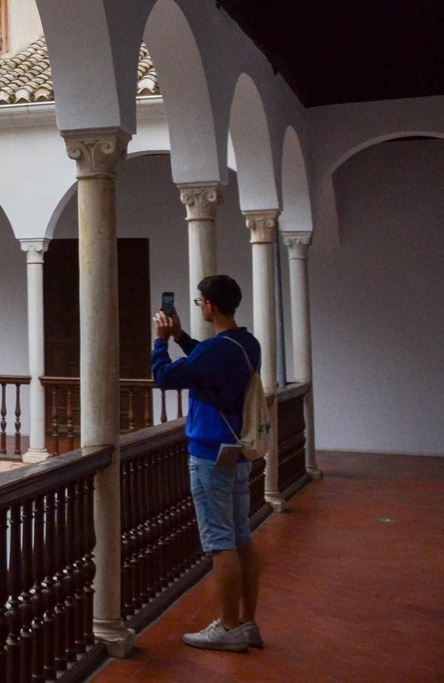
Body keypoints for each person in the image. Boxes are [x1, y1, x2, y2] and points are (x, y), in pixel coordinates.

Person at [151, 274, 265, 654]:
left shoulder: (217, 351)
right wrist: (183, 337)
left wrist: (161, 341)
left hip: (208, 454)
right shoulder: (246, 343)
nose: (199, 308)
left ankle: (228, 626)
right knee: (242, 537)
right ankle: (248, 622)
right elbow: (206, 357)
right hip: (236, 450)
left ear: (211, 306)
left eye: (200, 303)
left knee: (220, 543)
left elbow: (164, 377)